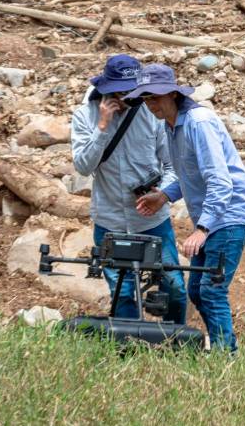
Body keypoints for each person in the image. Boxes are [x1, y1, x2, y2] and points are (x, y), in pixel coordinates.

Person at [127, 64, 245, 351]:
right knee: (196, 291)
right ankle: (221, 346)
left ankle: (227, 355)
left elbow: (220, 180)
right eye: (146, 99)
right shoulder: (171, 126)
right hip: (213, 215)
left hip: (230, 214)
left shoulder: (199, 123)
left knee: (212, 290)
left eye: (156, 97)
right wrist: (163, 196)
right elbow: (189, 175)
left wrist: (202, 229)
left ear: (173, 94)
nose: (151, 105)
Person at [71, 55, 186, 324]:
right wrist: (102, 128)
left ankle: (175, 345)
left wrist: (161, 194)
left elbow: (172, 165)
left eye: (130, 91)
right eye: (118, 92)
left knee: (175, 287)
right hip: (110, 220)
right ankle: (131, 351)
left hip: (152, 220)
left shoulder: (151, 113)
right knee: (123, 295)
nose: (125, 98)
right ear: (105, 89)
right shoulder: (84, 116)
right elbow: (83, 167)